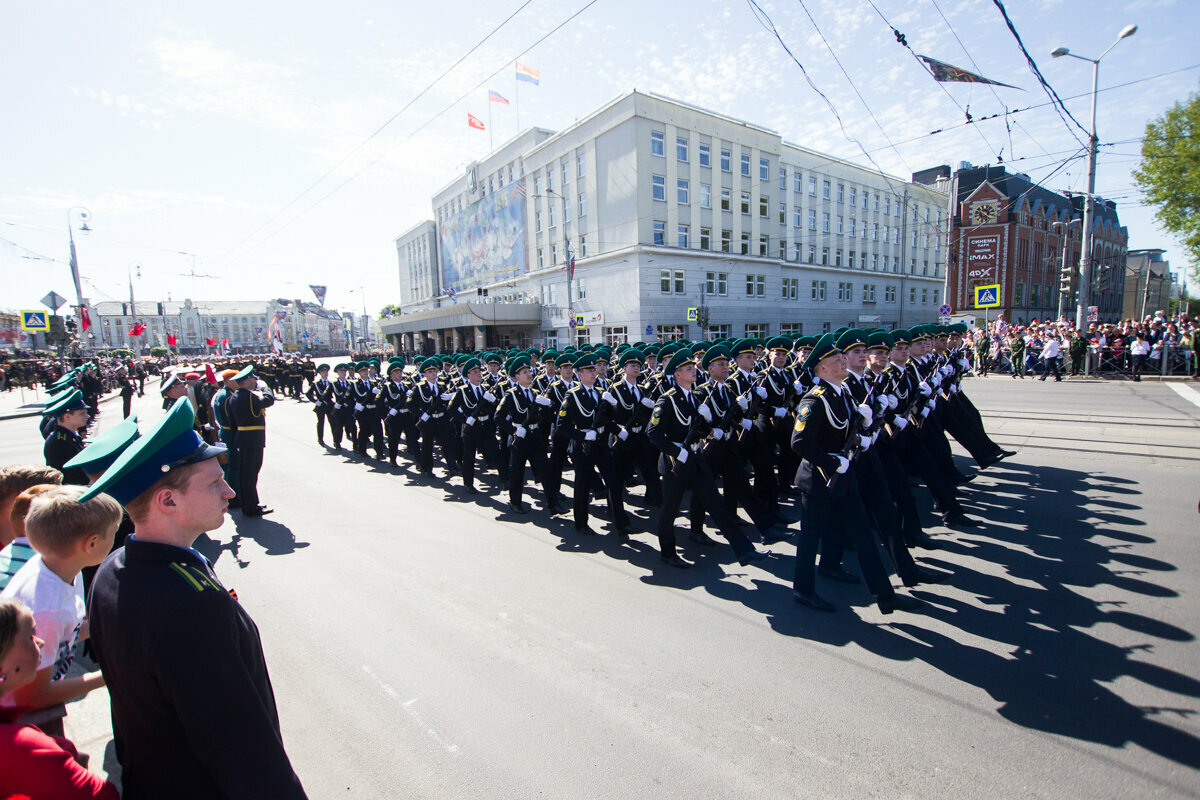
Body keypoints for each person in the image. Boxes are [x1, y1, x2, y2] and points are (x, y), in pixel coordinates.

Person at [83, 397, 309, 799]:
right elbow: (244, 752)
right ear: (167, 501)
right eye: (212, 483)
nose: (229, 490)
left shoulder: (113, 569)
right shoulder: (189, 606)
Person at [790, 333, 921, 614]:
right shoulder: (814, 401)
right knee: (810, 537)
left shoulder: (844, 392)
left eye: (841, 358)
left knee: (863, 534)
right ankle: (803, 589)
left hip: (844, 477)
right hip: (819, 480)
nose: (842, 362)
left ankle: (885, 595)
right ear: (822, 368)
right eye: (837, 360)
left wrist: (862, 432)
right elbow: (799, 443)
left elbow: (845, 433)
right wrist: (831, 461)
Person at [0, 486, 119, 735]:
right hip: (24, 721)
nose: (116, 539)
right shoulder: (48, 610)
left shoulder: (56, 565)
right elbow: (34, 695)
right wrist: (109, 676)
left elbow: (70, 629)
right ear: (92, 543)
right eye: (114, 533)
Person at [647, 349, 768, 569]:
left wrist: (709, 428)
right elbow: (653, 433)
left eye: (693, 368)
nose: (694, 372)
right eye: (688, 369)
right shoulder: (667, 400)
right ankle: (667, 552)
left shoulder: (694, 397)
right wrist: (676, 451)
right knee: (669, 510)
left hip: (695, 457)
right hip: (675, 462)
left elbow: (697, 430)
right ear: (677, 375)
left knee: (716, 504)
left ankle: (745, 550)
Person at [0, 598, 120, 799]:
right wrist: (60, 751)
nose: (41, 642)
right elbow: (103, 795)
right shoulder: (22, 747)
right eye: (30, 637)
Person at [229, 365, 275, 516]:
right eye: (252, 378)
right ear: (246, 380)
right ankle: (250, 507)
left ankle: (249, 503)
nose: (255, 380)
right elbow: (268, 400)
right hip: (252, 440)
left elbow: (232, 423)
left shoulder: (235, 396)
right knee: (250, 474)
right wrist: (266, 388)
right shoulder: (248, 397)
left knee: (247, 473)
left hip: (243, 440)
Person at [42, 389, 91, 486]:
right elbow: (68, 477)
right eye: (82, 413)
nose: (88, 416)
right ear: (67, 417)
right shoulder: (59, 442)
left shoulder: (69, 436)